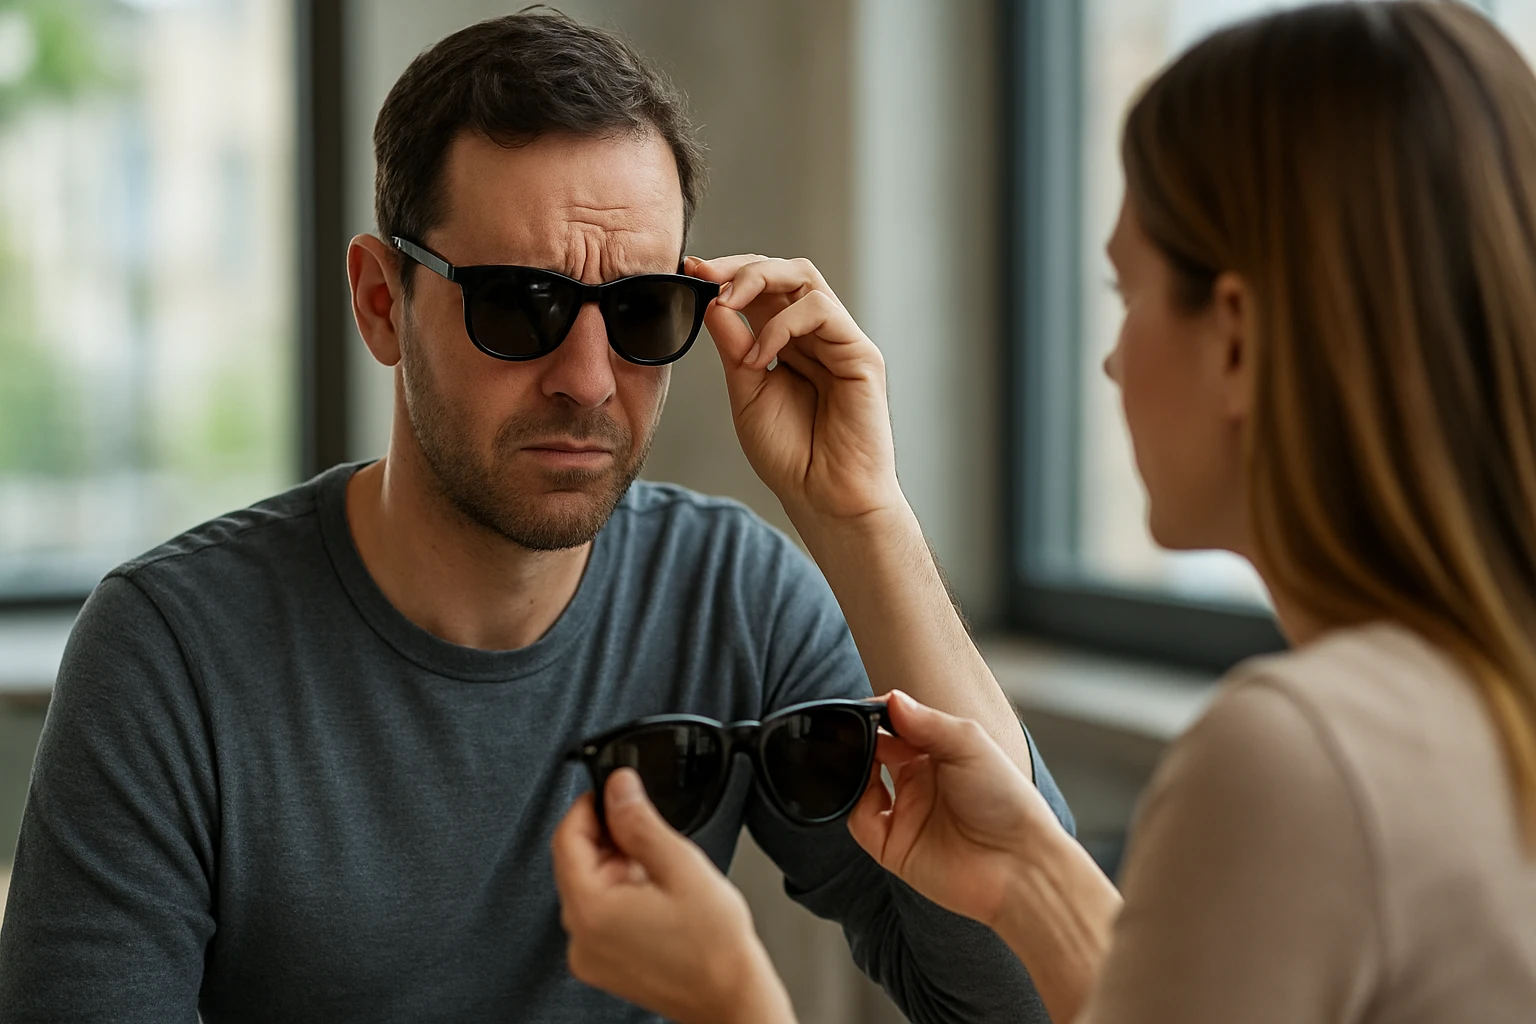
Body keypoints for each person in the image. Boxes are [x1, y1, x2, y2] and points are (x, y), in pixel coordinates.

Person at [0, 11, 1074, 1024]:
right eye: (521, 304)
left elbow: (1029, 1003)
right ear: (382, 303)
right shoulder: (168, 653)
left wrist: (862, 514)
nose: (590, 380)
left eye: (644, 310)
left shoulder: (731, 597)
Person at [552, 2, 1536, 1022]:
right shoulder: (1470, 711)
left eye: (1128, 293)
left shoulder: (1294, 759)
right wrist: (1030, 875)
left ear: (1235, 338)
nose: (1110, 360)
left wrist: (732, 1001)